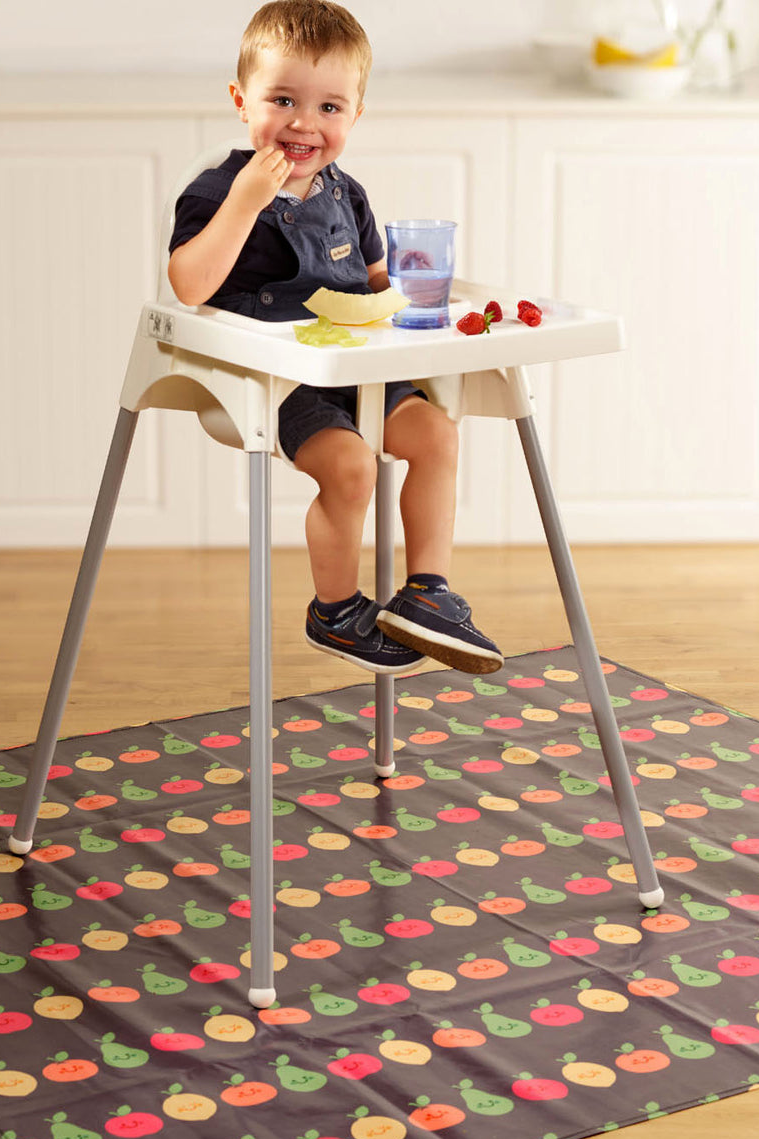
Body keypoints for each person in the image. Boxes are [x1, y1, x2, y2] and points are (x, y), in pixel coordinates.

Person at [168, 0, 502, 676]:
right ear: (241, 102)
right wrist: (245, 202)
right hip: (278, 377)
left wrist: (414, 300)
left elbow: (380, 283)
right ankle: (336, 609)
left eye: (329, 108)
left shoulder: (347, 194)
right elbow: (188, 285)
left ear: (354, 116)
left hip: (359, 368)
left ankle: (427, 594)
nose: (303, 123)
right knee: (351, 467)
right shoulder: (217, 191)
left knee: (437, 435)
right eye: (283, 99)